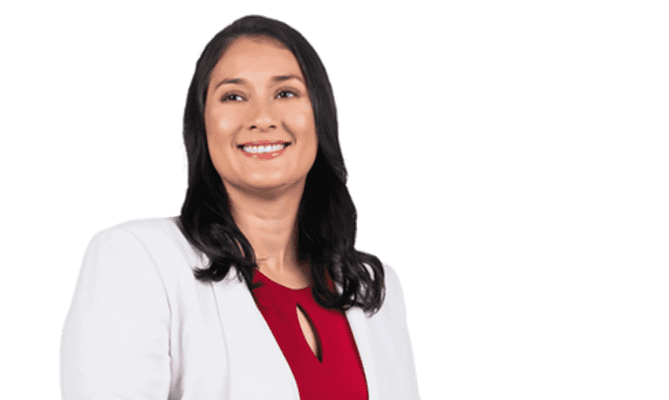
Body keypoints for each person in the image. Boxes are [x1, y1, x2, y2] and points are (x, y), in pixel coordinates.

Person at [58, 14, 420, 399]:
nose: (262, 118)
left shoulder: (372, 286)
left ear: (320, 117)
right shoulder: (135, 260)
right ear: (202, 125)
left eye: (285, 93)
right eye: (233, 96)